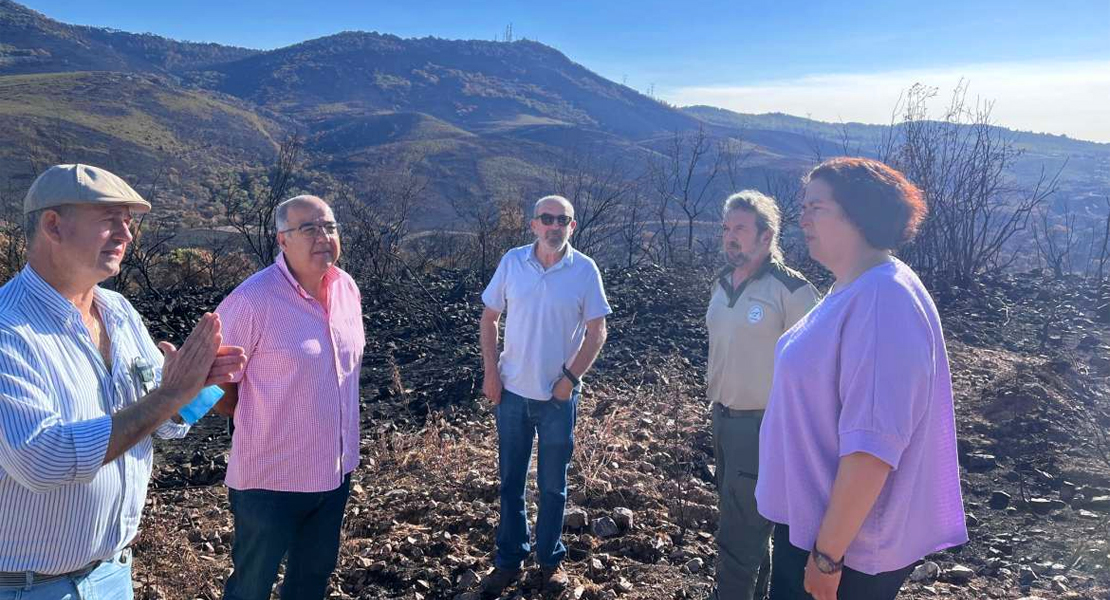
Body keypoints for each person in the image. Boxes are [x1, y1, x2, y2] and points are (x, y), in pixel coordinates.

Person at [0, 164, 245, 599]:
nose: (127, 235)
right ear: (53, 225)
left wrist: (192, 390)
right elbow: (41, 459)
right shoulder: (8, 329)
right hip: (28, 589)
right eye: (110, 221)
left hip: (112, 574)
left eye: (128, 223)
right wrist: (169, 395)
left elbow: (166, 424)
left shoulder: (118, 311)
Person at [755, 158, 968, 600]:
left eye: (817, 207)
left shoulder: (882, 298)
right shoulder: (855, 286)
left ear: (859, 214)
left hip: (847, 549)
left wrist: (827, 556)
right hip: (819, 529)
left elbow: (873, 447)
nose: (803, 218)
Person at [215, 195, 364, 600]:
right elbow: (211, 383)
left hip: (334, 473)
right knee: (251, 587)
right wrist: (255, 419)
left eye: (330, 227)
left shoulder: (347, 289)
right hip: (271, 483)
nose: (323, 237)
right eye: (309, 229)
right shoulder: (252, 300)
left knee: (311, 582)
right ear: (282, 240)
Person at [479, 195, 611, 597]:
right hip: (513, 394)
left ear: (573, 226)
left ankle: (549, 561)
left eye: (563, 220)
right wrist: (490, 373)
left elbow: (597, 331)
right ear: (533, 224)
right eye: (547, 219)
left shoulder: (584, 270)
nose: (555, 226)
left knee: (554, 486)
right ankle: (509, 559)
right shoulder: (512, 262)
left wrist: (569, 379)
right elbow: (489, 317)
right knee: (510, 482)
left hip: (558, 398)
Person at [707, 191, 818, 600]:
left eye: (740, 228)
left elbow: (817, 370)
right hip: (723, 421)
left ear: (766, 236)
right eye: (726, 228)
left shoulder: (793, 292)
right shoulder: (721, 285)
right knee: (748, 529)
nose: (730, 237)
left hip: (765, 426)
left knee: (737, 538)